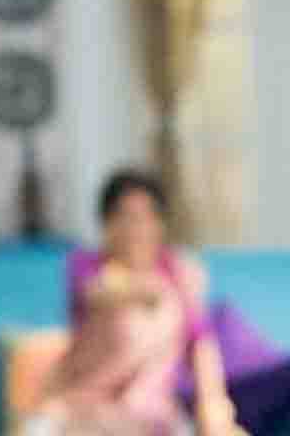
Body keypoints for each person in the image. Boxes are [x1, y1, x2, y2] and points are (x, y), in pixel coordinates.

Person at [29, 170, 242, 436]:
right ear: (107, 225)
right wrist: (142, 291)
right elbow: (95, 293)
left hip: (150, 413)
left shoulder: (179, 272)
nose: (136, 229)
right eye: (126, 217)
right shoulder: (86, 265)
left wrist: (213, 404)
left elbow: (200, 343)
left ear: (160, 224)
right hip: (81, 406)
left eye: (146, 217)